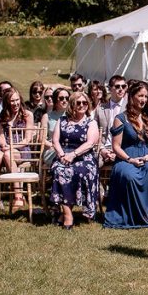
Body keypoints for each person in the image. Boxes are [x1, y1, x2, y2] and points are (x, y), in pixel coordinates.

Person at [104, 81, 148, 229]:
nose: (143, 99)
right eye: (140, 96)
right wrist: (130, 159)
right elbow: (116, 146)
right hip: (126, 157)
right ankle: (132, 216)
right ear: (131, 97)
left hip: (146, 155)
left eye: (145, 96)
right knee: (129, 176)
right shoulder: (120, 118)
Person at [49, 91, 99, 229]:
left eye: (84, 103)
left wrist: (73, 155)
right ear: (72, 105)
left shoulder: (91, 122)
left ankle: (66, 214)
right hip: (63, 156)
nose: (82, 105)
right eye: (78, 103)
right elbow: (55, 140)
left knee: (78, 171)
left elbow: (90, 143)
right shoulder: (62, 120)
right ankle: (68, 214)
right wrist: (61, 155)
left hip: (84, 157)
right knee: (59, 170)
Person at [0, 87, 36, 210]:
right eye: (12, 101)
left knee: (6, 155)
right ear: (6, 102)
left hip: (22, 149)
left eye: (17, 100)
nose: (15, 103)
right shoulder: (3, 115)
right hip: (7, 148)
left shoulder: (27, 115)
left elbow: (27, 139)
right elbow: (0, 136)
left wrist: (11, 147)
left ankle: (18, 195)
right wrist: (4, 144)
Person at [94, 75, 127, 164]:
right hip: (103, 149)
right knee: (92, 165)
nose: (121, 89)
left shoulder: (129, 109)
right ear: (109, 88)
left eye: (123, 86)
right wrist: (102, 150)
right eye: (117, 86)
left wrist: (118, 152)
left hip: (124, 149)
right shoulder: (100, 109)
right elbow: (94, 132)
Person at [40, 87, 70, 166]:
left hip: (69, 149)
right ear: (55, 100)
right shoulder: (47, 117)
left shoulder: (72, 116)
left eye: (67, 98)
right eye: (61, 98)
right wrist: (55, 146)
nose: (64, 100)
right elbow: (42, 139)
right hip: (52, 151)